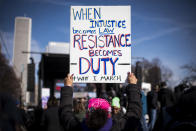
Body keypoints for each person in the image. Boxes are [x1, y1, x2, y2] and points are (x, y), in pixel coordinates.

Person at [59, 73, 142, 131]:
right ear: (109, 114)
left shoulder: (77, 128)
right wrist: (133, 86)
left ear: (88, 113)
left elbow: (65, 113)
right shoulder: (118, 128)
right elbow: (135, 112)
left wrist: (67, 87)